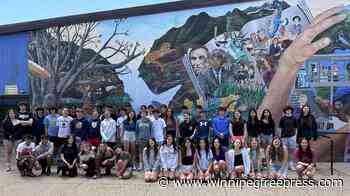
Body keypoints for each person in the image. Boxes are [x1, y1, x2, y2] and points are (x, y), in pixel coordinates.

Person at [279, 106, 298, 170]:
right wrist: (279, 137)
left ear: (291, 111)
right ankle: (285, 164)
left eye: (289, 110)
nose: (288, 111)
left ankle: (290, 164)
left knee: (291, 151)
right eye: (287, 110)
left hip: (292, 137)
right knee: (284, 151)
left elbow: (296, 128)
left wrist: (295, 136)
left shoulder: (294, 118)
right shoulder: (282, 118)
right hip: (284, 137)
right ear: (285, 111)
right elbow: (280, 128)